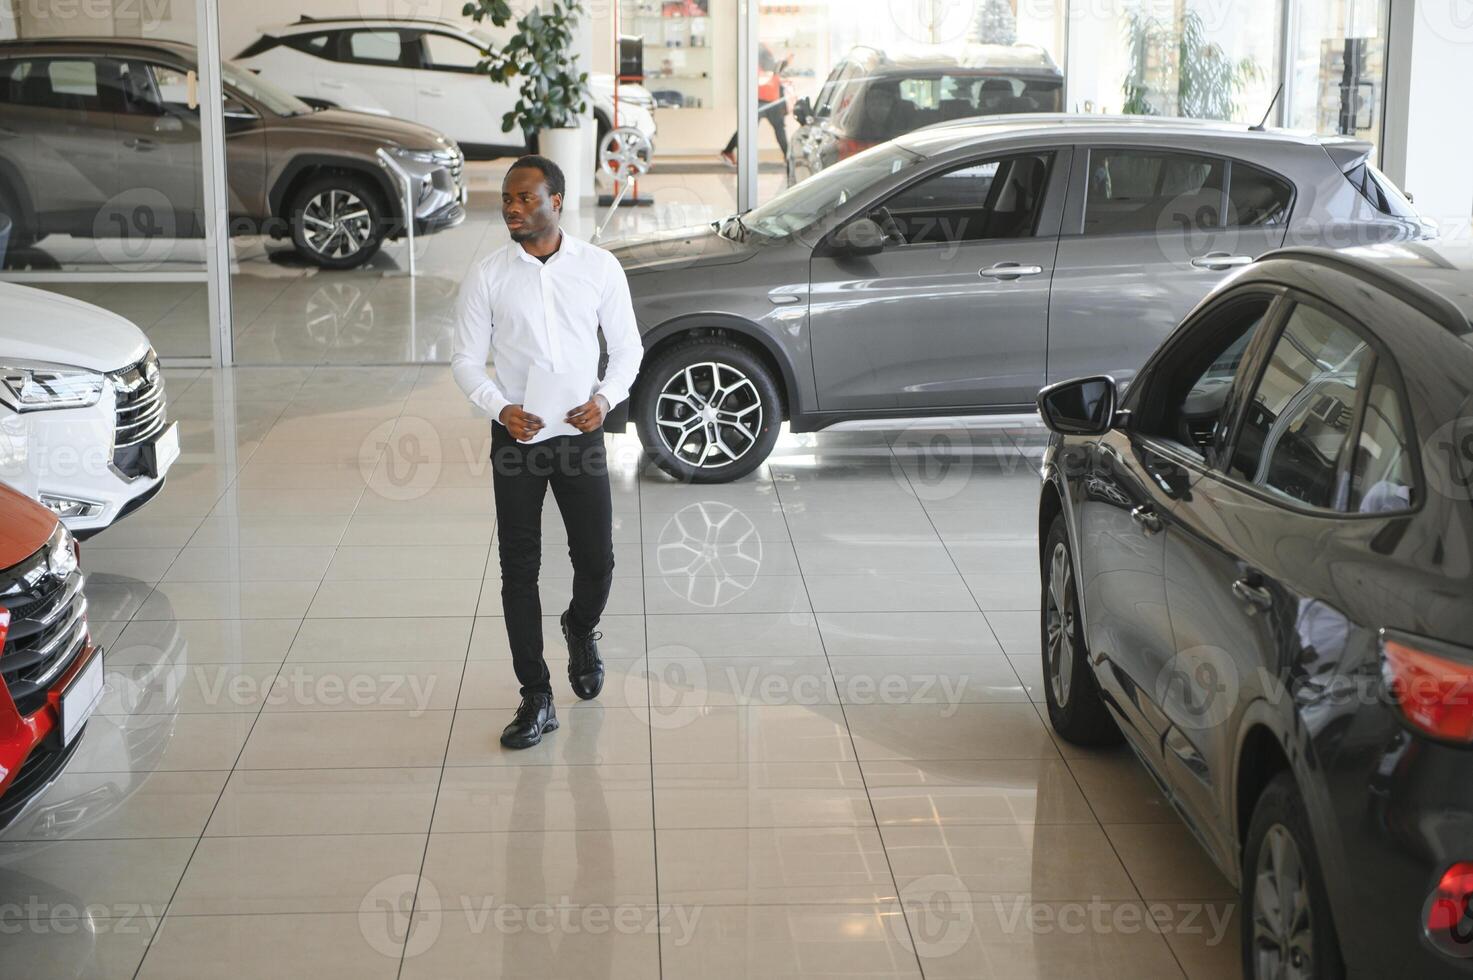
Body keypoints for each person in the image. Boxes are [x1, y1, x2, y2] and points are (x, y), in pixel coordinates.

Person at [452, 155, 643, 750]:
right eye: (507, 198)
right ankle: (535, 696)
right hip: (518, 439)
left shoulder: (599, 267)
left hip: (580, 434)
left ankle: (580, 628)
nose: (512, 207)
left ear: (556, 202)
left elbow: (629, 349)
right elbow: (463, 359)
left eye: (525, 199)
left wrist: (606, 399)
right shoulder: (487, 275)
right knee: (519, 569)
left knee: (598, 560)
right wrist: (499, 408)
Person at [721, 44, 789, 167]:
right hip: (762, 99)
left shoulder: (761, 48)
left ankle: (727, 151)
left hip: (769, 98)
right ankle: (727, 151)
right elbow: (771, 69)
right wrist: (784, 63)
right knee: (751, 129)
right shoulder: (758, 48)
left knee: (775, 129)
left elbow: (771, 72)